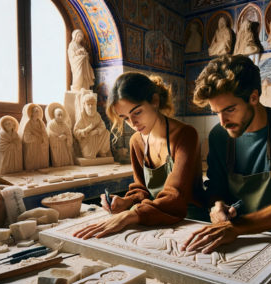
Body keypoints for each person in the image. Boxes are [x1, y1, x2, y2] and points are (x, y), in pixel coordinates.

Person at [179, 55, 271, 255]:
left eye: (230, 109)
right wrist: (217, 205)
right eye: (216, 112)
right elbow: (216, 187)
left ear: (253, 97)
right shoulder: (219, 136)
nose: (223, 121)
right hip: (237, 243)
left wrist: (238, 226)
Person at [73, 73, 208, 239]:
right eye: (125, 118)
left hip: (188, 217)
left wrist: (132, 214)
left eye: (137, 112)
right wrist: (126, 202)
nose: (133, 123)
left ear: (155, 101)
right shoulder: (136, 141)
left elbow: (176, 196)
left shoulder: (186, 135)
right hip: (150, 214)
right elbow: (141, 189)